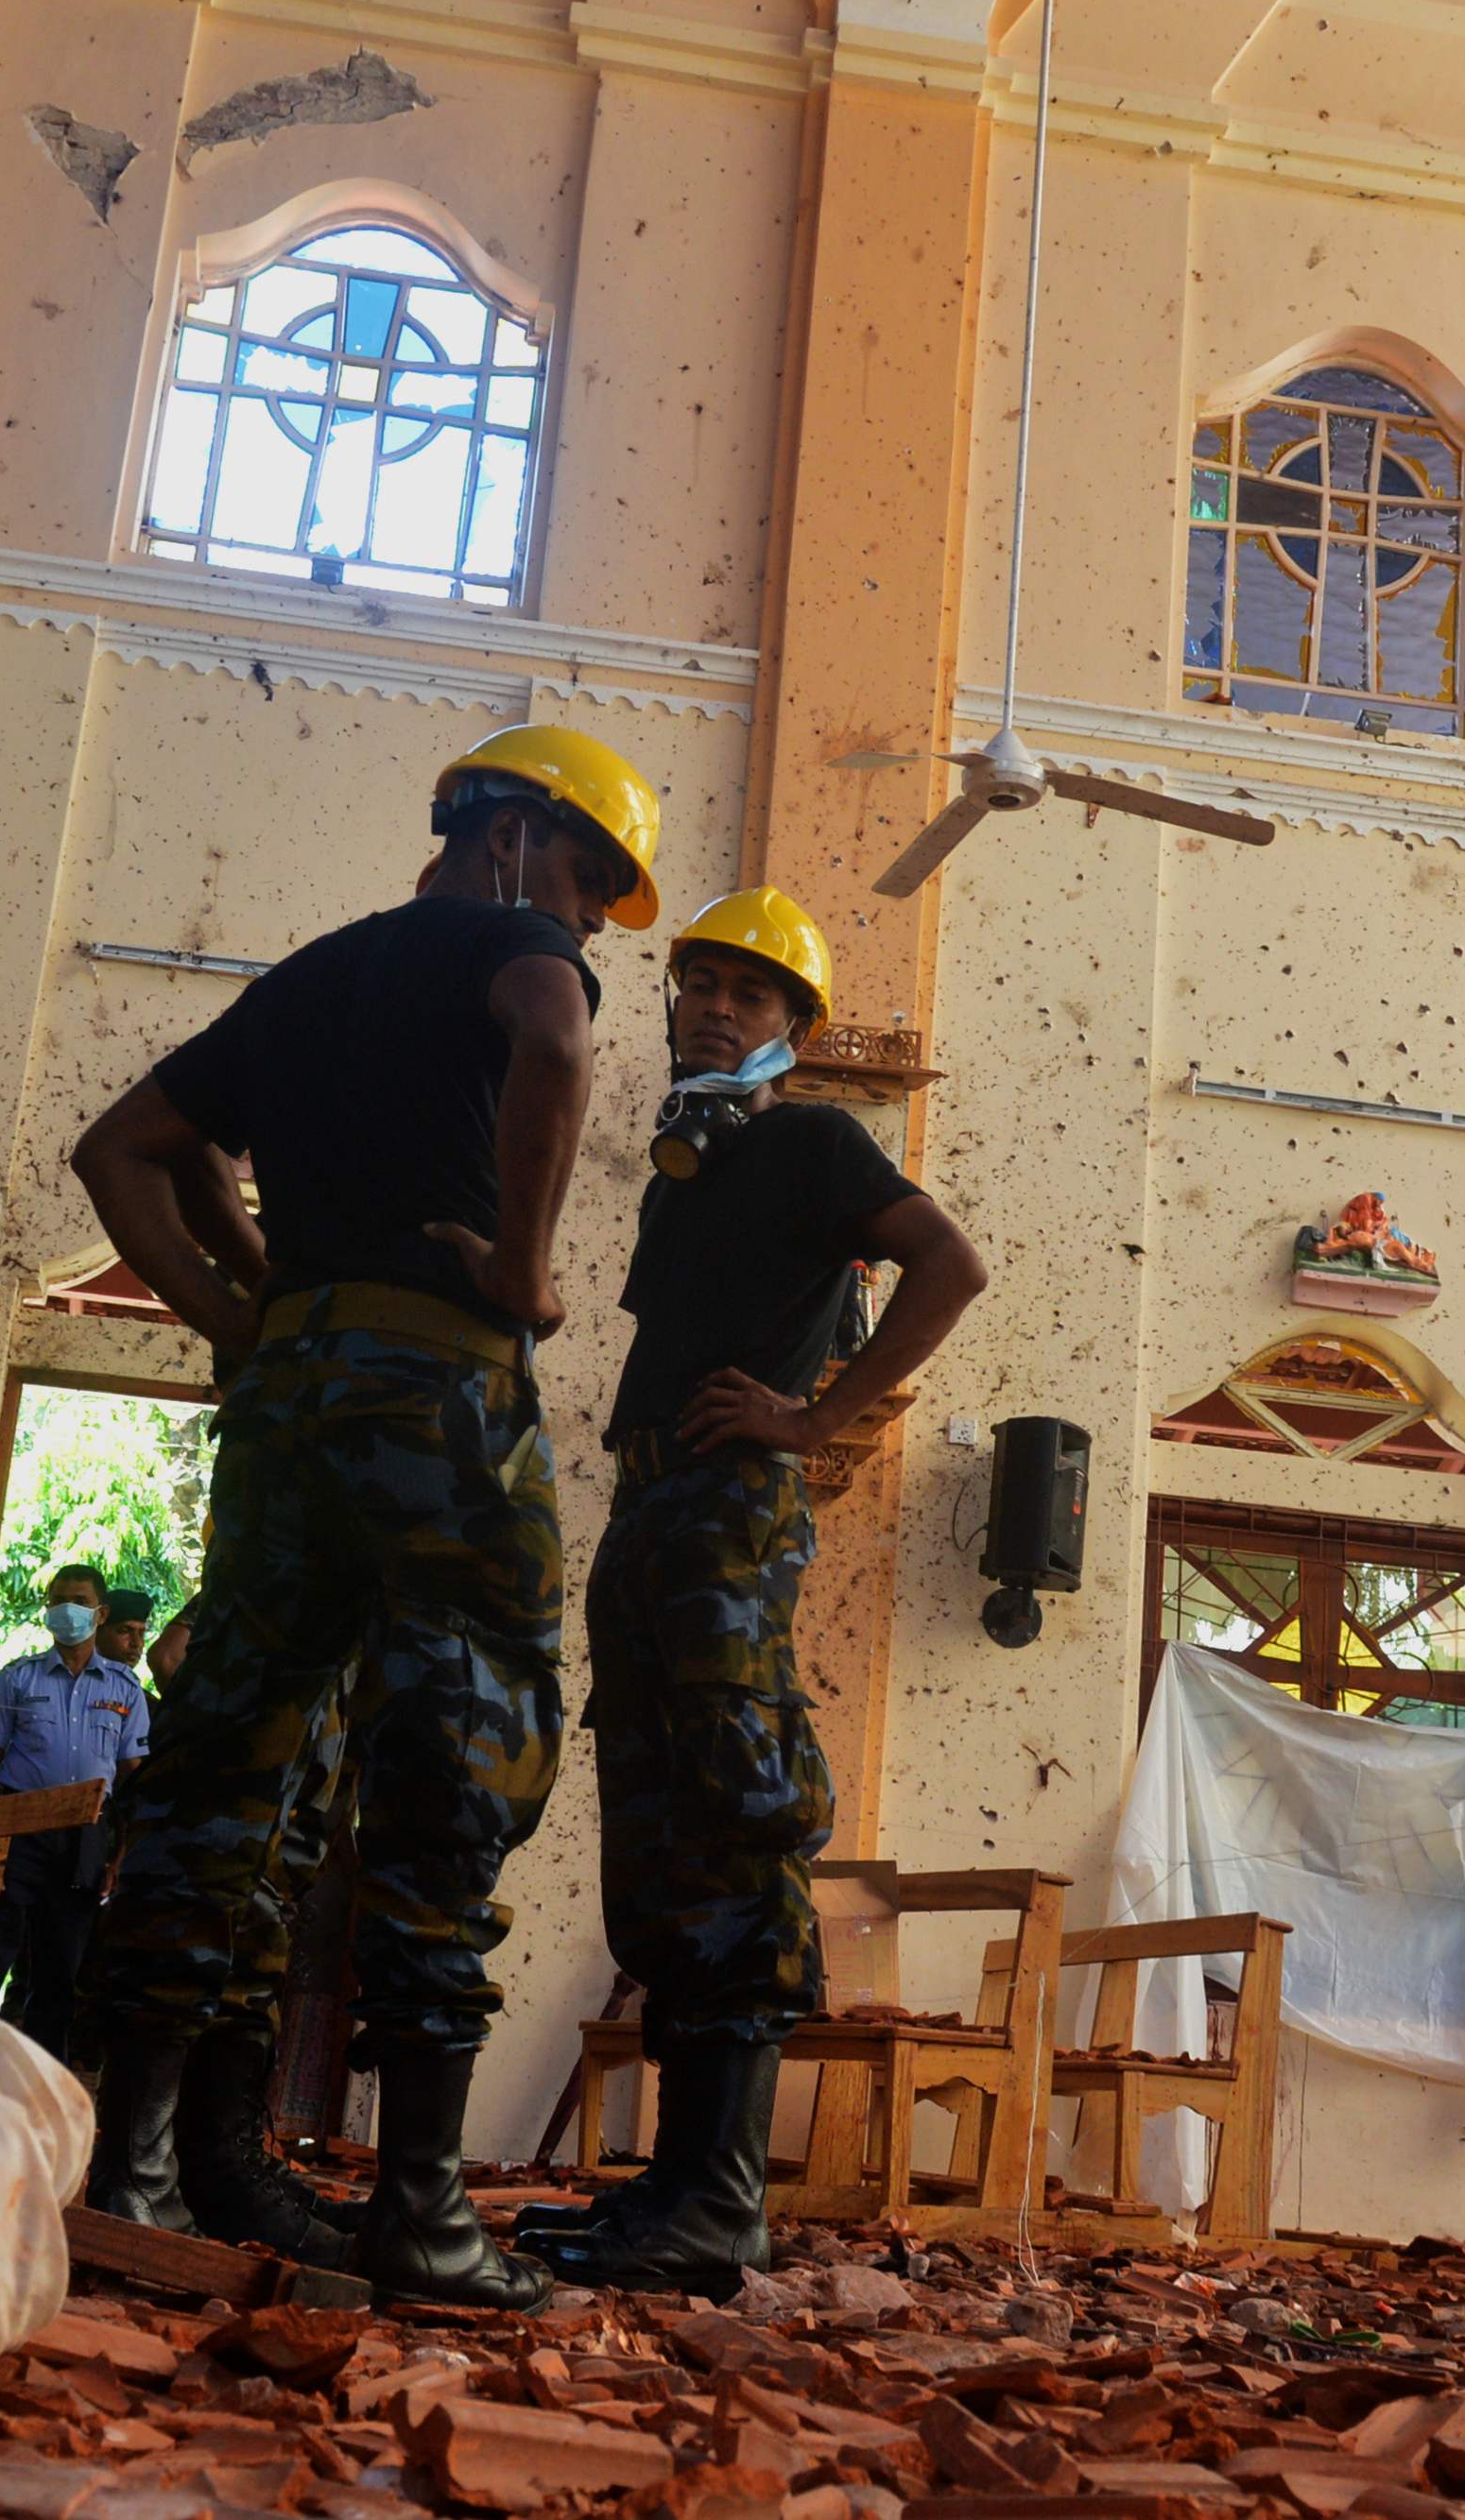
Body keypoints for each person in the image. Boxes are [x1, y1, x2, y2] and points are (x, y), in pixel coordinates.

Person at [65, 721, 664, 2308]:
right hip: (434, 1386)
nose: (589, 918)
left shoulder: (312, 976)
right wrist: (526, 1267)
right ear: (513, 833)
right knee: (461, 1750)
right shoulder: (516, 943)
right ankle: (423, 2212)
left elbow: (123, 1150)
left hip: (290, 1403)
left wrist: (243, 1310)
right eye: (587, 878)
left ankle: (141, 2172)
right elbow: (555, 1041)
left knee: (229, 1757)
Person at [517, 888, 987, 2295]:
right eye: (702, 985)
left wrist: (815, 1416)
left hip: (728, 1506)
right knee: (658, 1825)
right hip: (653, 1505)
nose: (718, 1007)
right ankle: (678, 2187)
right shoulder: (688, 1167)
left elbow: (950, 1264)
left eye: (752, 993)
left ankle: (720, 2200)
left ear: (794, 1024)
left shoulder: (806, 1138)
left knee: (731, 1812)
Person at [0, 1566, 153, 2065]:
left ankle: (39, 2080)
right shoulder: (17, 1678)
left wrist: (121, 1855)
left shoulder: (125, 1689)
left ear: (100, 1613)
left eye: (79, 1600)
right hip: (18, 1833)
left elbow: (133, 1783)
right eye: (58, 1600)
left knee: (58, 1973)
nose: (67, 1609)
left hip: (84, 1838)